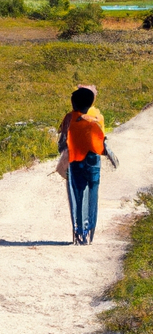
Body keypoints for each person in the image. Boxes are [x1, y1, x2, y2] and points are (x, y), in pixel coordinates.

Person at [59, 86, 111, 245]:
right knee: (93, 194)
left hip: (75, 161)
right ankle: (89, 233)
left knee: (77, 195)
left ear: (73, 103)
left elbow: (61, 144)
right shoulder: (96, 119)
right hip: (93, 161)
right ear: (90, 103)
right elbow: (101, 145)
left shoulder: (69, 118)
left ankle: (78, 231)